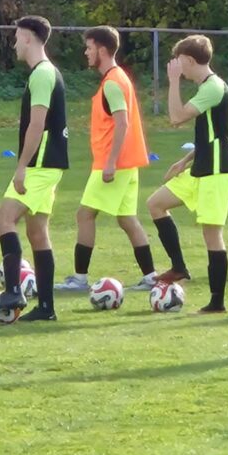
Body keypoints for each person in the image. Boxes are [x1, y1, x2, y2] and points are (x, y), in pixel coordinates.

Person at [56, 26, 158, 293]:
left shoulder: (112, 82)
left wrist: (111, 161)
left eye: (89, 47)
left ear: (102, 50)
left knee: (84, 215)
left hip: (114, 164)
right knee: (127, 219)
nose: (86, 52)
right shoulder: (119, 77)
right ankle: (151, 277)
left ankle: (79, 279)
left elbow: (122, 122)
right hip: (128, 163)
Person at [0, 15, 68, 322]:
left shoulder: (42, 74)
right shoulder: (46, 72)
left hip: (40, 164)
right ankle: (46, 308)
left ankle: (14, 291)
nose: (14, 44)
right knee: (37, 232)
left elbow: (37, 124)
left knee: (4, 221)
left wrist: (21, 167)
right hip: (50, 163)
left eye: (17, 37)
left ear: (29, 37)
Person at [147, 35, 228, 314]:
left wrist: (173, 81)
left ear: (188, 60)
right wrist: (184, 161)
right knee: (156, 203)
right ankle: (179, 267)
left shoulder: (213, 87)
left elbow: (176, 118)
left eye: (178, 62)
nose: (177, 67)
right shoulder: (207, 87)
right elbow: (213, 135)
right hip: (201, 168)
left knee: (212, 234)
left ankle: (217, 303)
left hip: (218, 172)